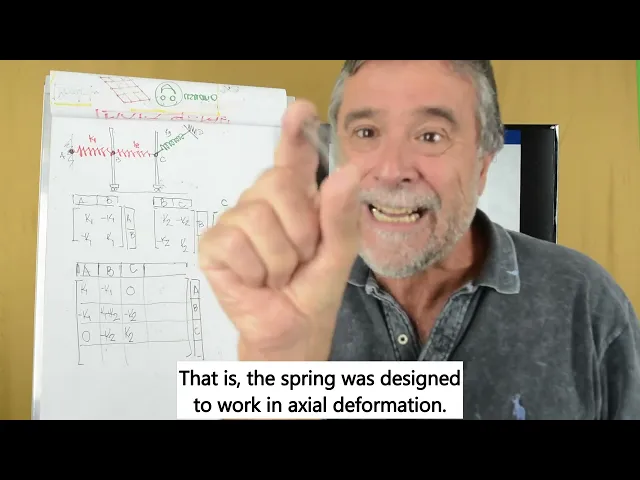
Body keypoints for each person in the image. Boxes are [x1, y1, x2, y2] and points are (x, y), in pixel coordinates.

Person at [198, 60, 640, 420]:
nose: (392, 170)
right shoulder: (271, 295)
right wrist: (276, 373)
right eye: (366, 132)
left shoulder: (586, 303)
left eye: (430, 135)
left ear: (483, 164)